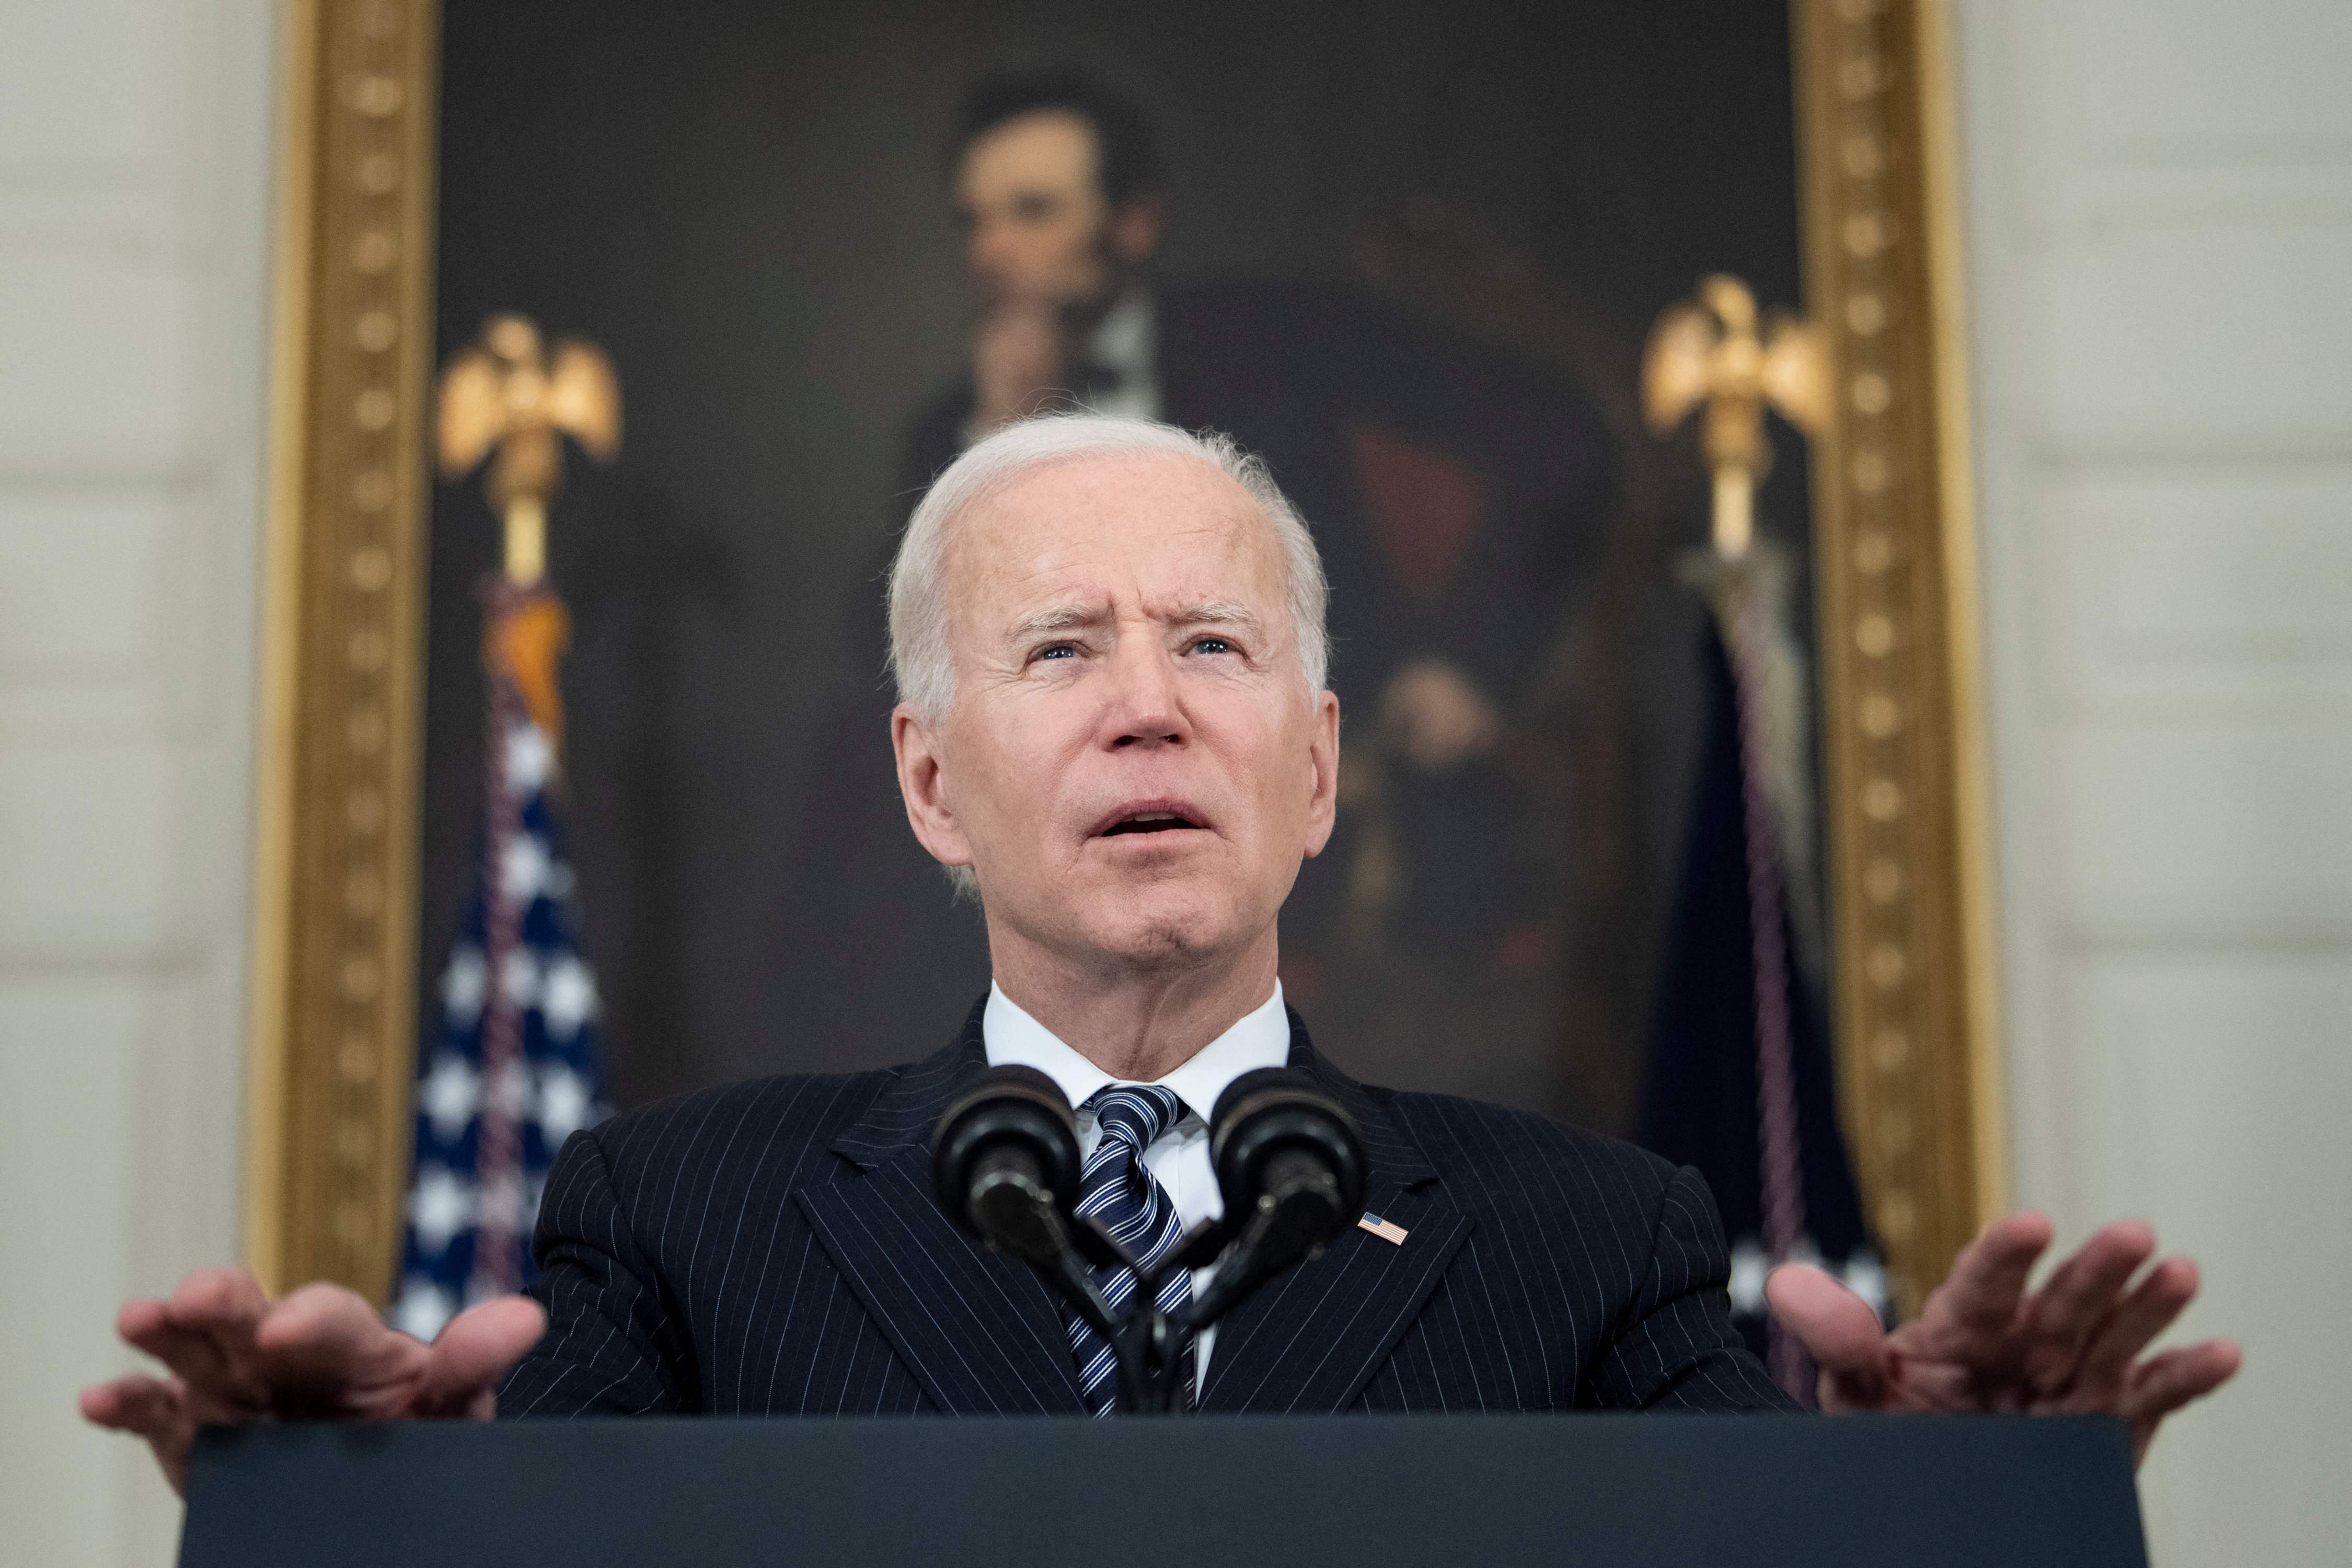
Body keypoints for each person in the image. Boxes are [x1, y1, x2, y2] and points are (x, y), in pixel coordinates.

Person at [86, 416, 2236, 1490]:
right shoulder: (681, 1223)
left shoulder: (1601, 1250)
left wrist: (1954, 1515)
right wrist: (329, 1518)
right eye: (1059, 651)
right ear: (934, 788)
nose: (1149, 704)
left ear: (1314, 773)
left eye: (1215, 646)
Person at [799, 69, 1619, 1108]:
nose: (994, 251)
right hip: (1059, 810)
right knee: (861, 845)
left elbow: (1558, 435)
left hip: (1341, 788)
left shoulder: (1285, 338)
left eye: (1034, 211)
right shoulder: (950, 428)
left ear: (1132, 224)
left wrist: (1469, 657)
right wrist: (1000, 441)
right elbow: (882, 656)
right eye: (977, 220)